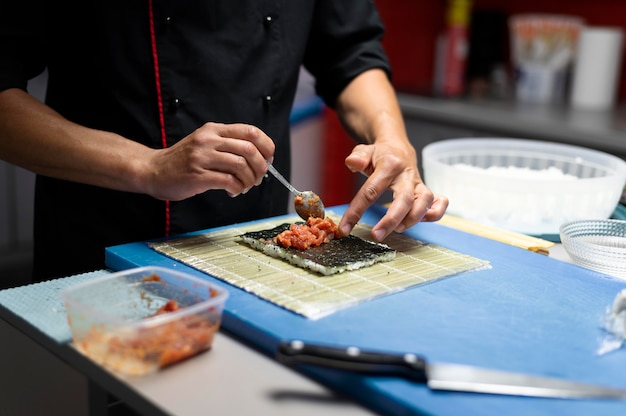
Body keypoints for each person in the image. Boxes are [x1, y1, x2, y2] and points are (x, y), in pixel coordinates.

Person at [0, 1, 448, 282]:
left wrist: (391, 138)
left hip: (258, 245)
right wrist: (148, 166)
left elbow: (350, 54)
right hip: (103, 247)